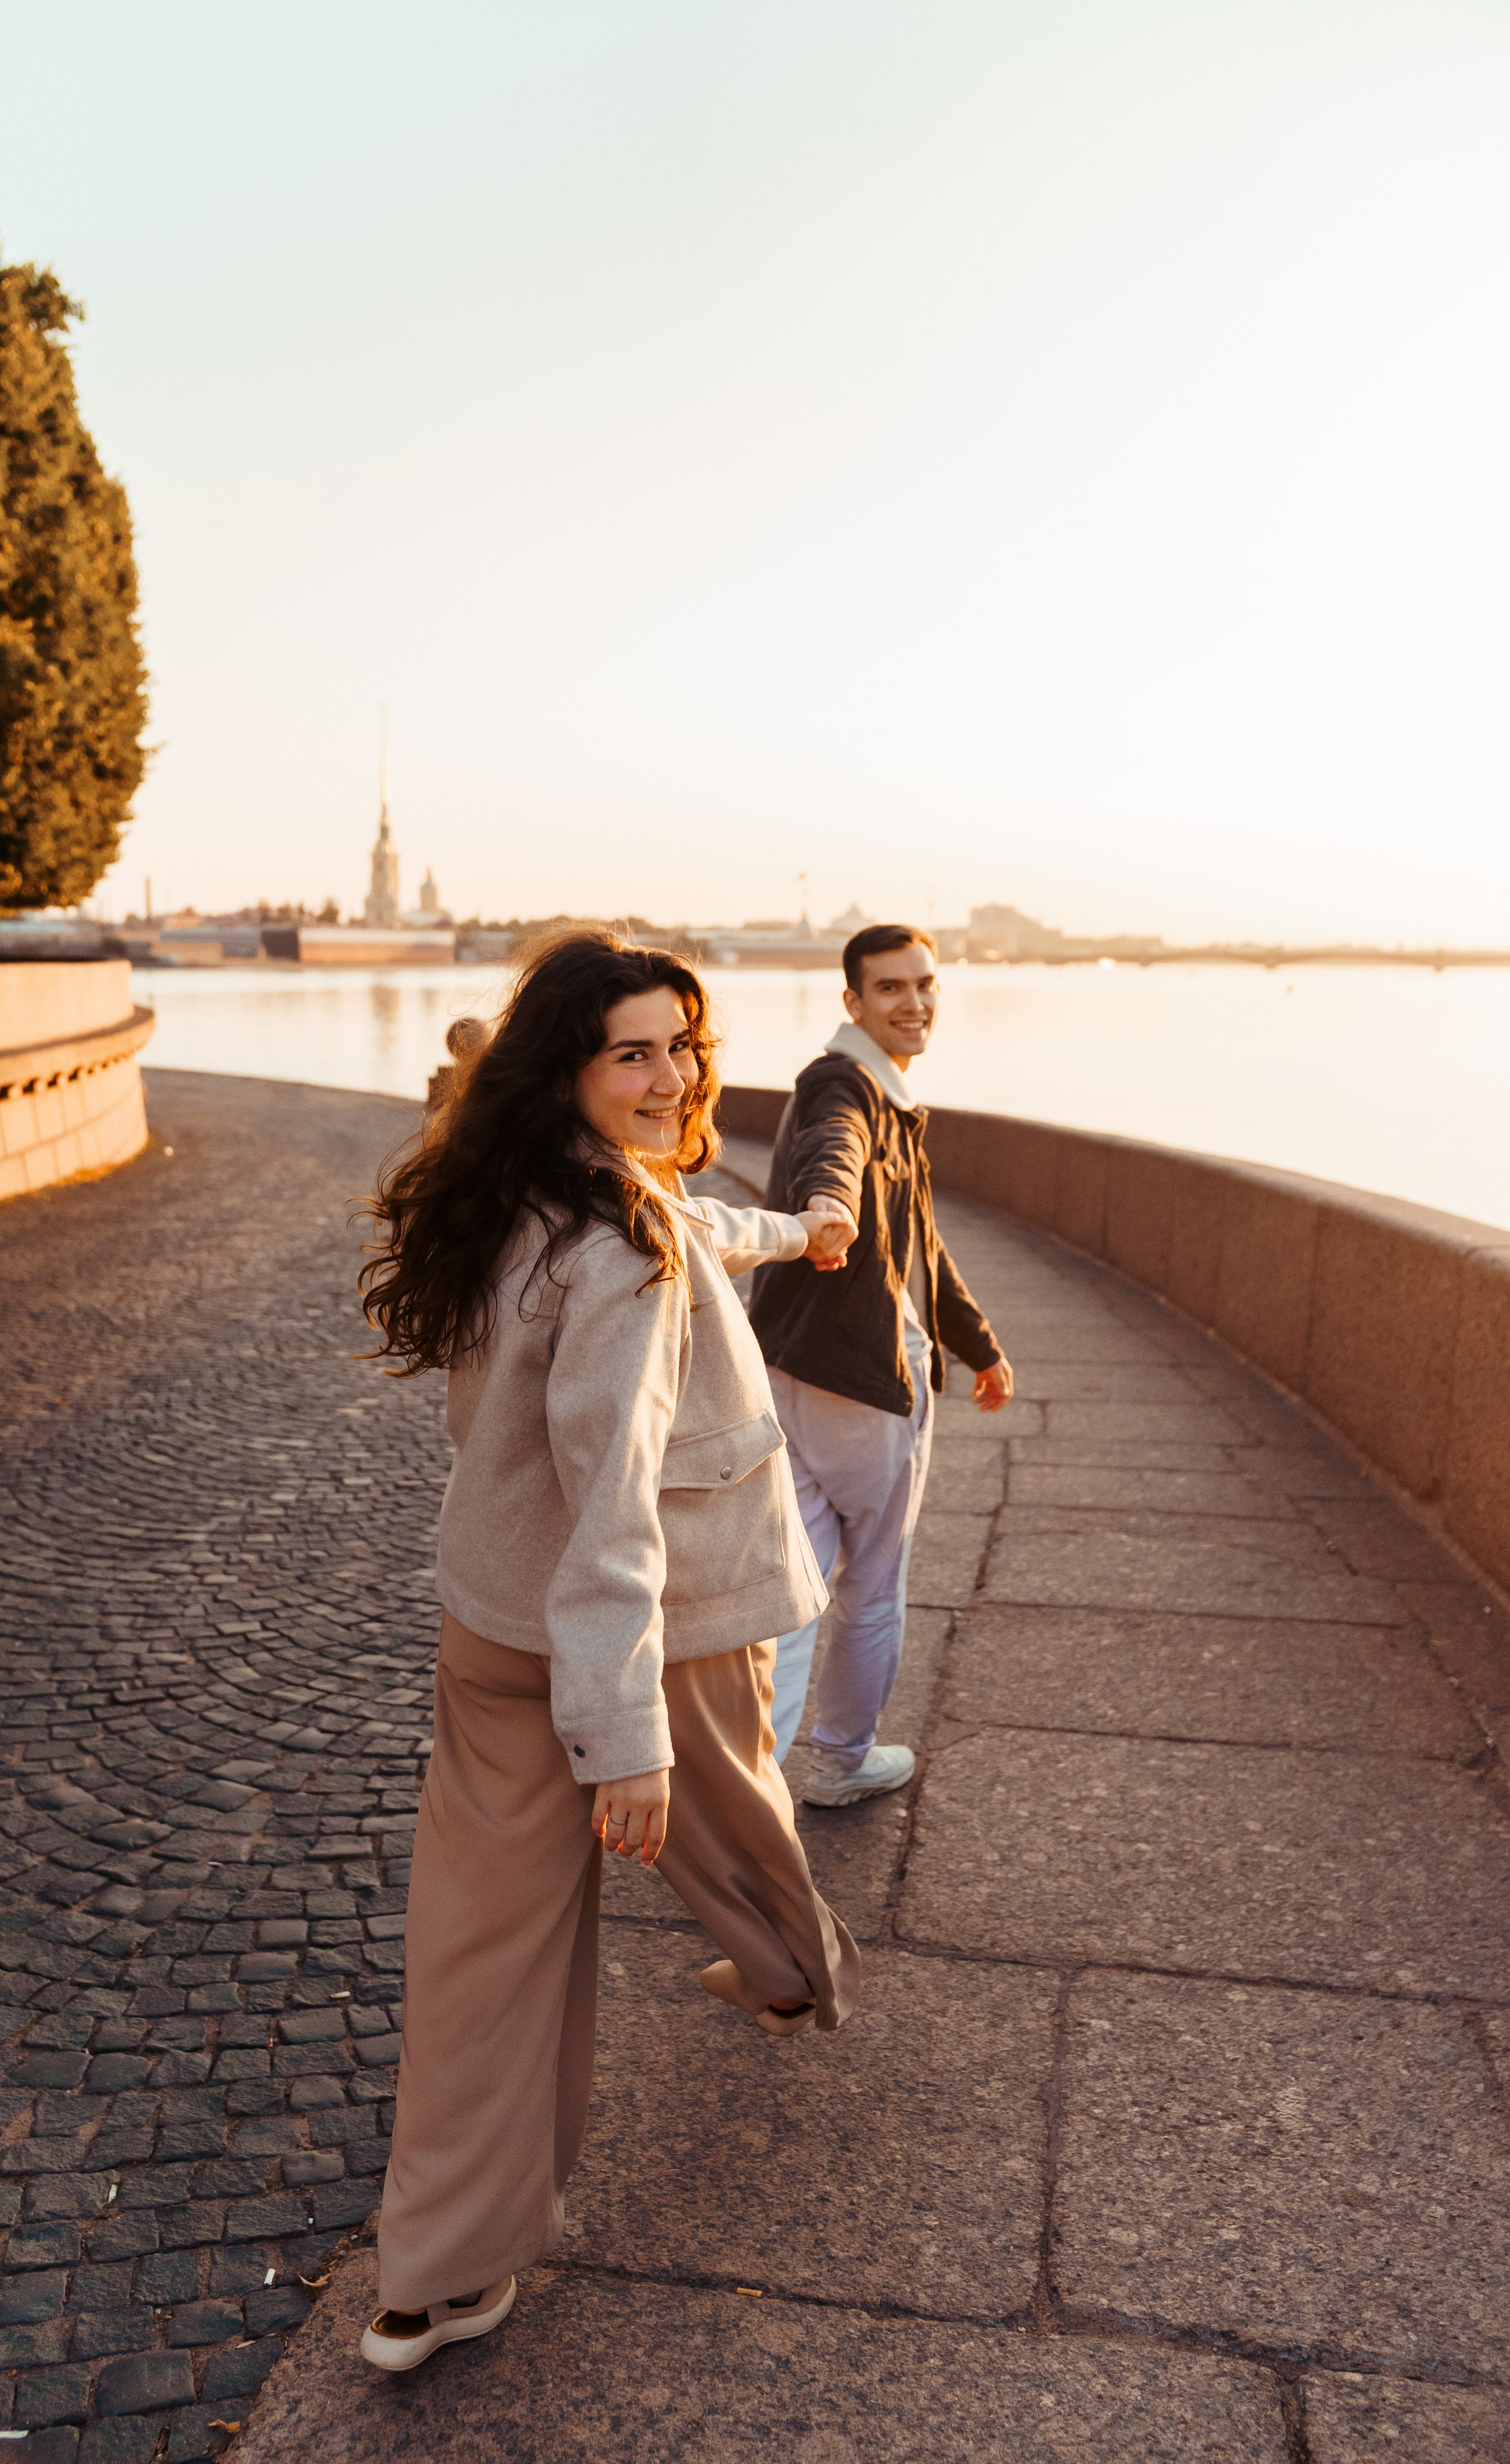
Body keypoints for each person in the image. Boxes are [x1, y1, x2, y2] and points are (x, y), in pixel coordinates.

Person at [354, 928, 861, 2376]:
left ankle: (431, 2278)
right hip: (649, 1620)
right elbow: (614, 1498)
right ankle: (791, 1973)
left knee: (475, 1952)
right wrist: (619, 1733)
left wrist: (802, 1232)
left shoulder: (525, 1195)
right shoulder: (624, 1253)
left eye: (682, 1045)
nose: (667, 1075)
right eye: (630, 1051)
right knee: (733, 1813)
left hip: (491, 1623)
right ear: (568, 1067)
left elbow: (705, 1228)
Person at [749, 922, 1013, 1804]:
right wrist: (829, 1202)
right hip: (864, 1380)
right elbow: (836, 1152)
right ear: (854, 1002)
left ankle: (751, 1787)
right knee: (871, 1582)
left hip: (793, 1367)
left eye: (926, 985)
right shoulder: (848, 1088)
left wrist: (977, 1344)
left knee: (787, 1590)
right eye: (892, 989)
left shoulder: (878, 1091)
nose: (915, 1003)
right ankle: (837, 1759)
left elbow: (920, 1247)